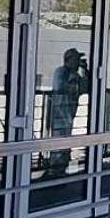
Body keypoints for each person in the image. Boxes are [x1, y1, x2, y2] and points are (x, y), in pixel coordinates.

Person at [45, 47, 90, 178]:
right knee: (58, 143)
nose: (77, 63)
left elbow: (85, 87)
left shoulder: (75, 75)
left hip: (69, 114)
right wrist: (73, 84)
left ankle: (62, 170)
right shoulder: (61, 72)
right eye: (75, 60)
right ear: (68, 60)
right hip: (59, 113)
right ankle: (55, 171)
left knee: (66, 143)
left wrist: (85, 71)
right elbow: (59, 87)